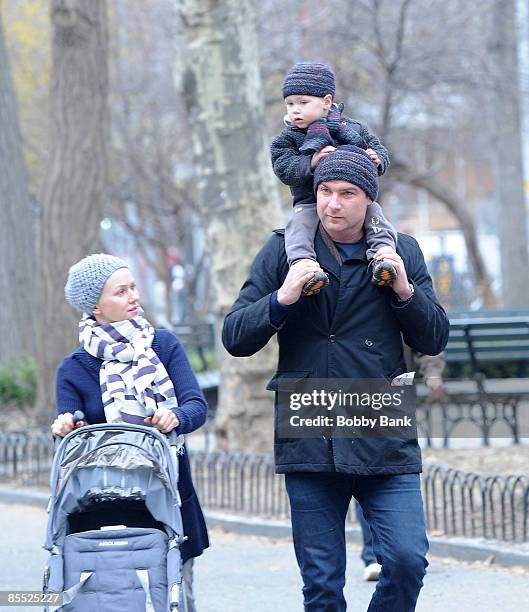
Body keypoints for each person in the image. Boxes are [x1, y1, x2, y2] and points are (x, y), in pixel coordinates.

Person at [222, 147, 449, 611]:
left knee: (407, 561)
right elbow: (235, 336)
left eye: (348, 193)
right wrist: (281, 299)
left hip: (382, 430)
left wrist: (405, 290)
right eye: (325, 191)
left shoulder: (401, 251)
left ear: (369, 199)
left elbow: (435, 336)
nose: (333, 204)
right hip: (310, 431)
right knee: (323, 586)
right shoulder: (284, 248)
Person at [51, 253, 209, 612]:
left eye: (133, 287)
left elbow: (196, 406)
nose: (134, 296)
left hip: (166, 499)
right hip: (99, 506)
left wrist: (175, 417)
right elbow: (71, 431)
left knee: (174, 594)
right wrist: (64, 427)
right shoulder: (73, 370)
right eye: (120, 292)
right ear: (95, 307)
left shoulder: (163, 345)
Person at [271, 61, 397, 295]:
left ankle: (383, 258)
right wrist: (309, 162)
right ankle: (304, 266)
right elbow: (283, 167)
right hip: (309, 201)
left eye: (302, 102)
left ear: (327, 102)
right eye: (289, 103)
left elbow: (378, 148)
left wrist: (377, 158)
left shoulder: (354, 130)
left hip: (354, 201)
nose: (294, 110)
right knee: (298, 226)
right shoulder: (287, 138)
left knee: (376, 218)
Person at [356, 349, 447, 583]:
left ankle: (389, 552)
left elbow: (425, 333)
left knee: (382, 469)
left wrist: (433, 372)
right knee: (360, 466)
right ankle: (374, 554)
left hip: (393, 386)